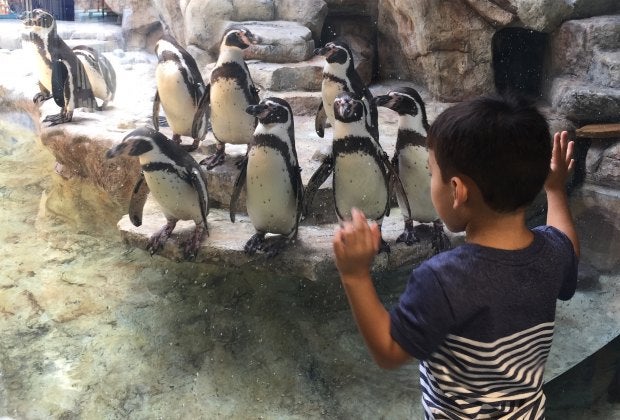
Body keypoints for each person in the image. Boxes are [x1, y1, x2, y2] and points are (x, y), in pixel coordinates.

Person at [332, 93, 580, 419]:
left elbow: (389, 352)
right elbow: (567, 246)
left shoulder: (443, 279)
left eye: (431, 173)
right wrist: (556, 190)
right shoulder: (551, 254)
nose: (429, 182)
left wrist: (355, 275)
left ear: (457, 191)